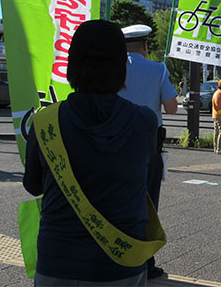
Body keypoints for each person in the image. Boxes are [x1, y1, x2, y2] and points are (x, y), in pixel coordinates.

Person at [23, 20, 157, 286]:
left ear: (71, 66)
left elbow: (33, 186)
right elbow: (146, 179)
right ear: (121, 67)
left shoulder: (44, 122)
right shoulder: (145, 121)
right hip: (123, 262)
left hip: (57, 262)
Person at [118, 24, 178, 279]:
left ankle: (118, 256)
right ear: (145, 46)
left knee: (116, 197)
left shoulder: (113, 69)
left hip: (114, 142)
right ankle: (145, 262)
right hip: (148, 143)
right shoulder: (158, 69)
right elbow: (172, 108)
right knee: (147, 202)